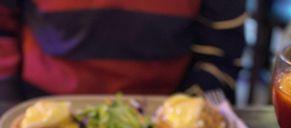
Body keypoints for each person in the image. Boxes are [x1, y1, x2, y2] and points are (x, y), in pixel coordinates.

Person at [0, 1, 246, 102]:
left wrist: (181, 118)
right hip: (40, 106)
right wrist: (9, 106)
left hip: (163, 112)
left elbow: (220, 53)